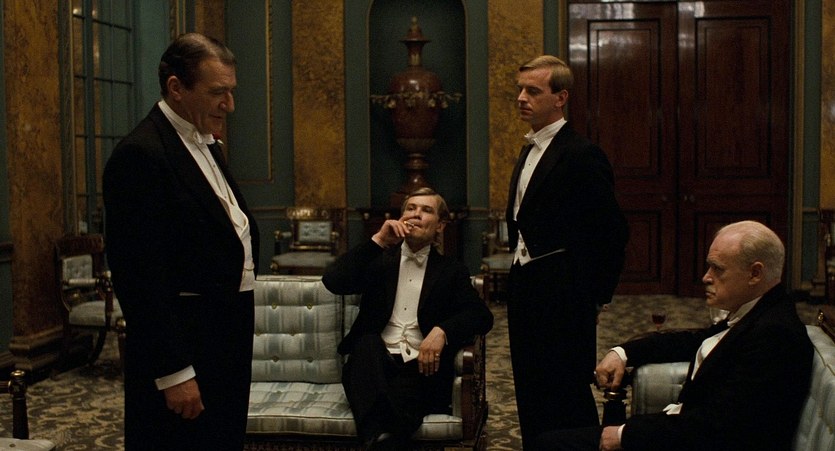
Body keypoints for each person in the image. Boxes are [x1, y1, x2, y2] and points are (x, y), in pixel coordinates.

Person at [103, 33, 259, 450]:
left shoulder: (205, 140)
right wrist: (174, 372)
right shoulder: (140, 154)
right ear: (176, 87)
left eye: (231, 91)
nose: (229, 105)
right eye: (218, 92)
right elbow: (138, 277)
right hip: (186, 349)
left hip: (224, 341)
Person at [533, 220, 814, 451]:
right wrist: (623, 352)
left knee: (549, 444)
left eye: (717, 269)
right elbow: (691, 342)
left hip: (694, 441)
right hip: (683, 432)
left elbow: (719, 426)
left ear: (755, 273)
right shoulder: (758, 313)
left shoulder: (775, 335)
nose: (706, 277)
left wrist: (622, 435)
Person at [505, 55, 629, 446]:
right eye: (520, 90)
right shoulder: (528, 149)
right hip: (524, 287)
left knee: (566, 393)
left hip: (565, 294)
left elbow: (612, 231)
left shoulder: (581, 153)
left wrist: (595, 297)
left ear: (561, 98)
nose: (522, 98)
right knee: (529, 389)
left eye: (533, 91)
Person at [322, 188, 494, 450]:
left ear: (440, 225)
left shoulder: (452, 270)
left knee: (394, 412)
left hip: (421, 368)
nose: (416, 214)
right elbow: (333, 281)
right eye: (410, 208)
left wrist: (442, 331)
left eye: (426, 210)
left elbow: (481, 316)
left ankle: (379, 438)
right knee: (366, 344)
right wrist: (378, 240)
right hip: (372, 365)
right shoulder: (379, 260)